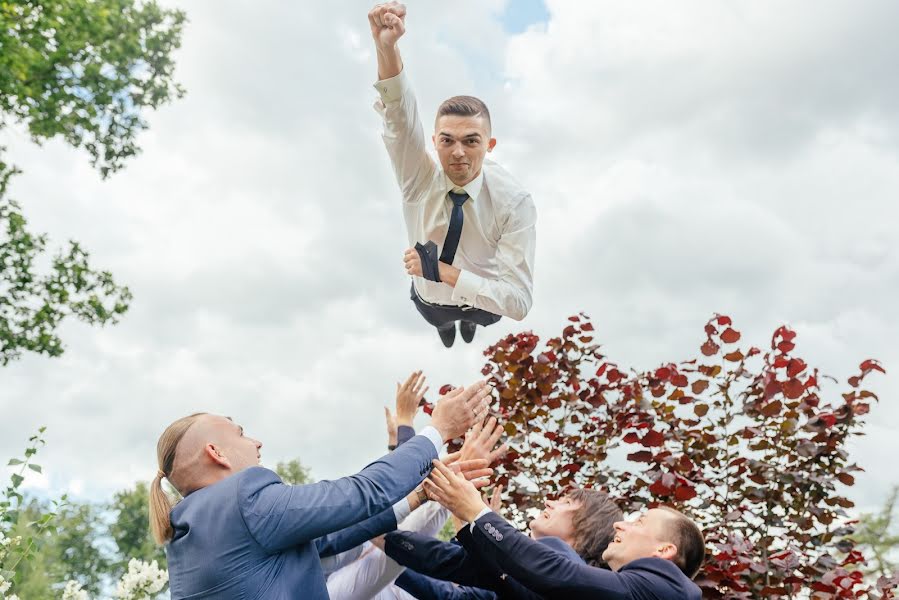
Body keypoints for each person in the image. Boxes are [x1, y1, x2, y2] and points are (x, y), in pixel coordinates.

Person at [149, 381, 492, 600]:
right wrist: (437, 430)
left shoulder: (192, 529)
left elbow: (326, 541)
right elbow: (364, 491)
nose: (256, 442)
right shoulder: (243, 497)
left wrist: (417, 497)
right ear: (216, 452)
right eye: (241, 433)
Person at [370, 2, 537, 348]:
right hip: (431, 302)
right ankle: (446, 327)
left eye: (471, 141)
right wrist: (386, 47)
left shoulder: (513, 201)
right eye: (447, 141)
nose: (458, 152)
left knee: (474, 316)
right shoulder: (419, 178)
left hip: (483, 304)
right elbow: (400, 118)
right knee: (441, 320)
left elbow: (518, 302)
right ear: (435, 142)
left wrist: (442, 272)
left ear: (489, 144)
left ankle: (466, 323)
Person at [423, 460, 705, 600]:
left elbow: (557, 572)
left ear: (664, 550)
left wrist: (477, 512)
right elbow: (478, 573)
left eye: (639, 522)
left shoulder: (666, 588)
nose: (621, 524)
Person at [384, 486, 622, 599]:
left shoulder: (568, 572)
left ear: (586, 528)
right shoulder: (516, 579)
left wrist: (478, 522)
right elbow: (453, 593)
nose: (551, 502)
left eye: (567, 502)